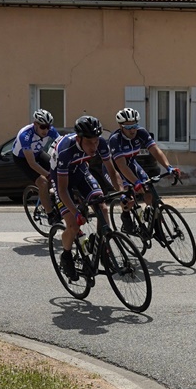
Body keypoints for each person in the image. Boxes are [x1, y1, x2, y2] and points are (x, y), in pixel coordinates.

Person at [53, 115, 123, 280]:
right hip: (61, 180)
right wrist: (76, 213)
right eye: (90, 142)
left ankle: (103, 248)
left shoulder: (101, 143)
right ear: (79, 138)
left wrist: (122, 191)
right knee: (73, 226)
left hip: (81, 172)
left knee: (103, 208)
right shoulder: (65, 150)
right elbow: (63, 189)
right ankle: (66, 255)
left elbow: (112, 171)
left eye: (96, 141)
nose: (94, 146)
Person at [107, 107, 182, 234]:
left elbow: (155, 151)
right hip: (115, 169)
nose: (133, 130)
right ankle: (126, 217)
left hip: (131, 164)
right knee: (128, 197)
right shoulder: (115, 140)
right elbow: (121, 166)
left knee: (149, 191)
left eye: (135, 125)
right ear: (121, 126)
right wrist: (136, 183)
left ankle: (156, 226)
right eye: (128, 127)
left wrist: (169, 167)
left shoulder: (141, 132)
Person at [13, 109, 60, 219]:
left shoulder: (50, 131)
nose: (46, 130)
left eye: (48, 127)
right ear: (35, 124)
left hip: (38, 153)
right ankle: (50, 214)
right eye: (43, 127)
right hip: (22, 159)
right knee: (43, 182)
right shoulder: (25, 135)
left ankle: (53, 197)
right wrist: (48, 175)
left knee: (58, 171)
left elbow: (61, 144)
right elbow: (32, 163)